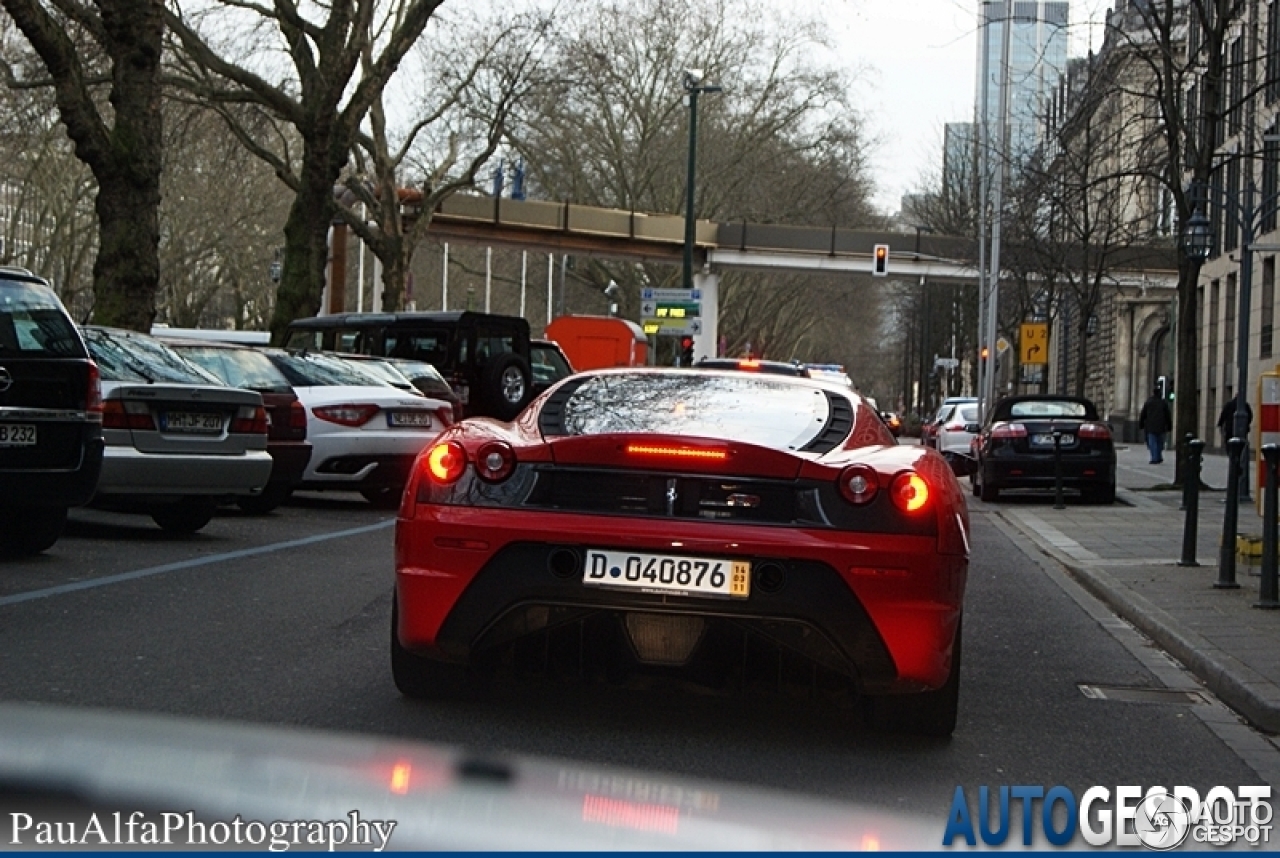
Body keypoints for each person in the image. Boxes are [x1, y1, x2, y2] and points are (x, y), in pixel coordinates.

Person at [1138, 387, 1172, 464]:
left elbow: (1143, 414)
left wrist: (1141, 424)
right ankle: (1158, 456)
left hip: (1151, 426)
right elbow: (1168, 415)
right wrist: (1169, 426)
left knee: (1152, 443)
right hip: (1161, 426)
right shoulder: (1163, 403)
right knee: (1160, 443)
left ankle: (1154, 458)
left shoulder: (1149, 402)